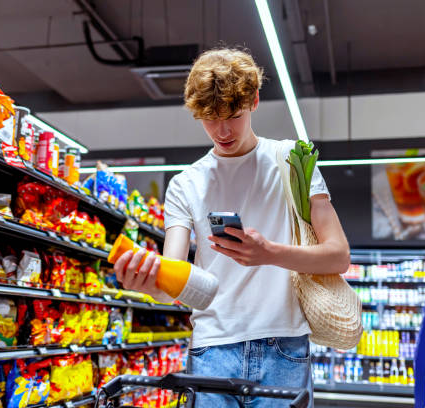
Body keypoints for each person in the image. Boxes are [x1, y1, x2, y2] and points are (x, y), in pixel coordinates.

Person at [113, 47, 350, 407]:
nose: (222, 131)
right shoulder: (185, 183)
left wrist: (270, 253)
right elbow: (171, 282)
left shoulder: (292, 159)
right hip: (212, 349)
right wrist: (147, 280)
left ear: (254, 101)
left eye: (233, 116)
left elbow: (338, 256)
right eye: (210, 118)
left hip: (283, 346)